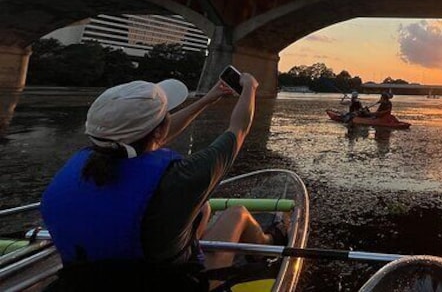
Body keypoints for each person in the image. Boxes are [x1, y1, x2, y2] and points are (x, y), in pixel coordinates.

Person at [40, 73, 278, 290]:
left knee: (202, 208)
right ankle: (268, 242)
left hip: (80, 282)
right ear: (158, 130)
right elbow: (238, 129)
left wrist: (208, 98)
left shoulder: (79, 163)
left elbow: (147, 137)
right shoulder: (181, 178)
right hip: (166, 283)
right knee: (236, 213)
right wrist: (250, 88)